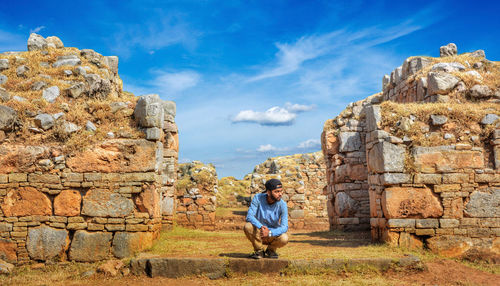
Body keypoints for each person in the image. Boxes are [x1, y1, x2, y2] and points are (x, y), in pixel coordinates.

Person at [244, 178, 289, 259]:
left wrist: (270, 233)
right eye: (276, 192)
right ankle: (259, 251)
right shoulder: (258, 198)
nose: (280, 194)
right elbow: (249, 216)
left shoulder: (283, 205)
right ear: (268, 192)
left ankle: (270, 250)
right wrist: (261, 227)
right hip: (259, 233)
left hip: (272, 234)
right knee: (248, 226)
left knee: (284, 238)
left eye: (281, 191)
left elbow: (284, 227)